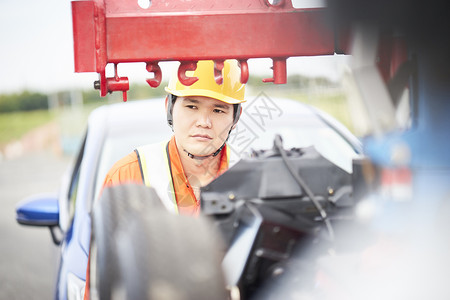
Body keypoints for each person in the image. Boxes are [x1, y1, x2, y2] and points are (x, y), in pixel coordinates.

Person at [83, 59, 246, 299]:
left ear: (235, 117)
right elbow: (104, 282)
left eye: (218, 109)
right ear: (169, 107)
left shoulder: (255, 174)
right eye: (192, 106)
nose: (204, 121)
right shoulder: (128, 175)